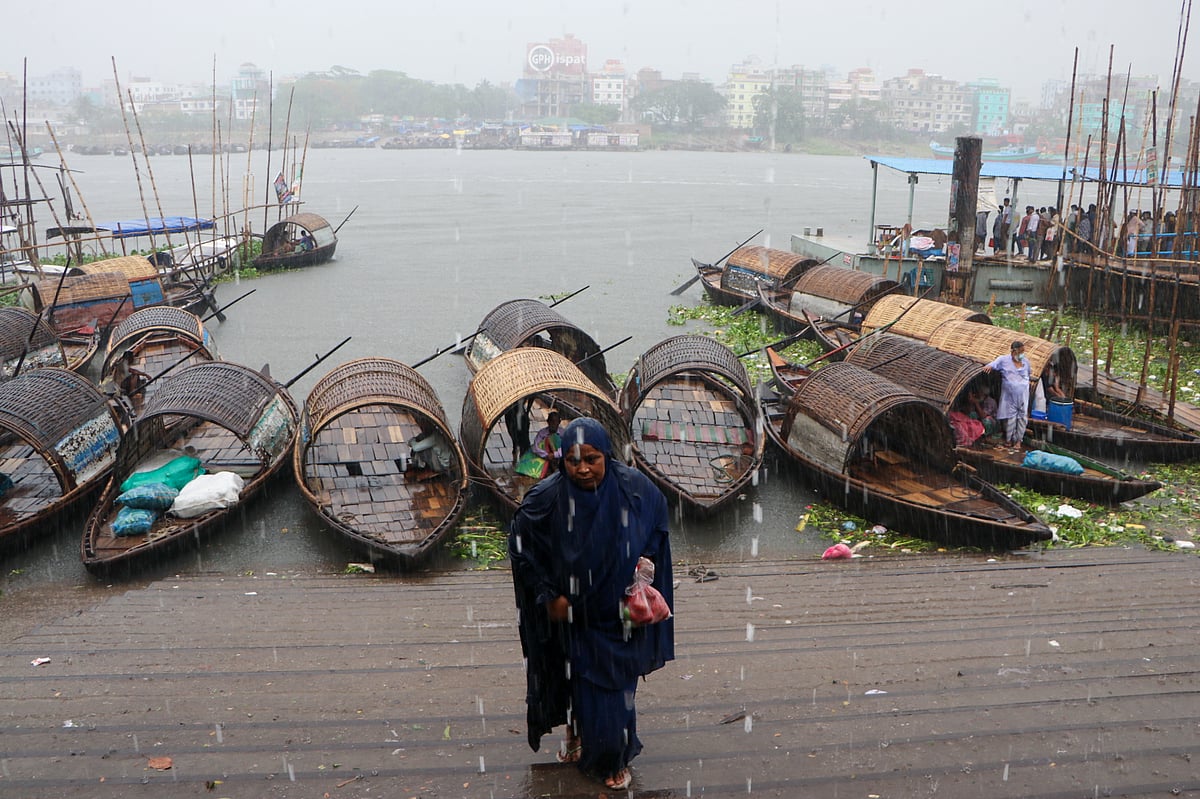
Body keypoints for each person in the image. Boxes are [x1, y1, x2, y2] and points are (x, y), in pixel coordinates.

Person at [508, 417, 674, 791]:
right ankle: (577, 733)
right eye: (572, 460)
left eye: (592, 459)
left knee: (614, 686)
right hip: (571, 613)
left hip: (616, 612)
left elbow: (657, 520)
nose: (582, 469)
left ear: (607, 456)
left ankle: (611, 755)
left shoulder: (634, 489)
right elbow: (522, 548)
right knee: (572, 676)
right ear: (562, 461)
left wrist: (645, 562)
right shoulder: (547, 498)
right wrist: (549, 595)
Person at [983, 340, 1032, 450]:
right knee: (1011, 417)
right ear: (1013, 352)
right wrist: (989, 366)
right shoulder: (1003, 360)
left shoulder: (1026, 362)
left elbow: (1028, 374)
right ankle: (1009, 440)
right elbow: (993, 364)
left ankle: (1019, 441)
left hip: (1023, 394)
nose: (1021, 354)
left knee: (1022, 417)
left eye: (1023, 352)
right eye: (1020, 352)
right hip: (1010, 395)